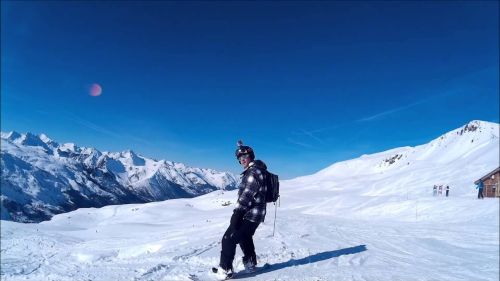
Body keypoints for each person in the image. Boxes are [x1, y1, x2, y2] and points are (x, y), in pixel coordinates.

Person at [212, 141, 268, 279]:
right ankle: (250, 264)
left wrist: (237, 213)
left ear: (251, 156)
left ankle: (225, 270)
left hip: (250, 214)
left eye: (244, 157)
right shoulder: (257, 170)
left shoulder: (253, 172)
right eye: (239, 159)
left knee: (228, 238)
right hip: (256, 214)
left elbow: (247, 195)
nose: (242, 160)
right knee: (245, 237)